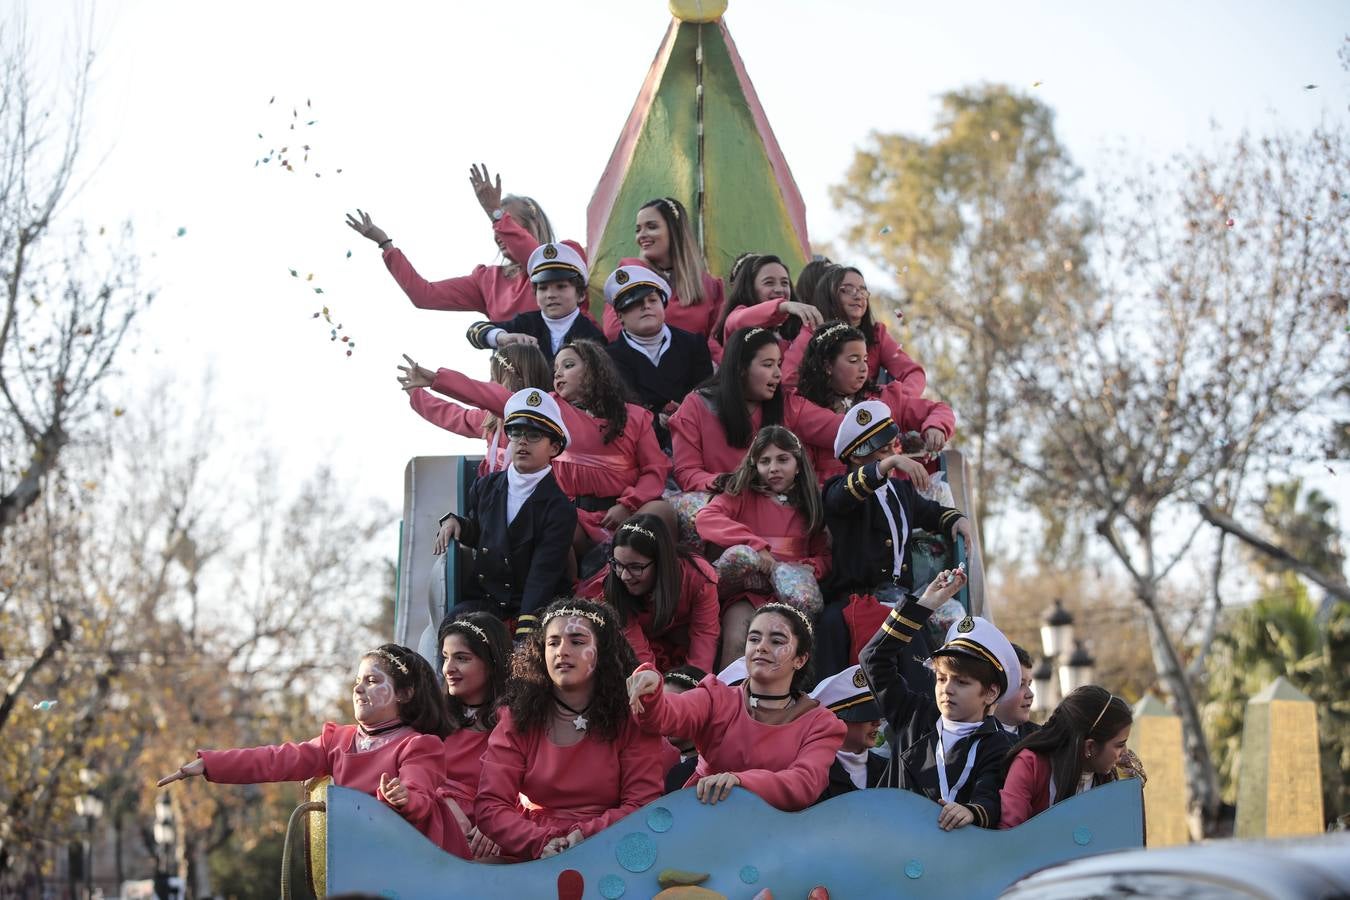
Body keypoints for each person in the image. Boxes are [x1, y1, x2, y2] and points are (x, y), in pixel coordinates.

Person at [156, 644, 469, 858]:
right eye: (357, 681)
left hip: (415, 865)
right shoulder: (337, 741)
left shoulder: (418, 745)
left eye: (372, 681)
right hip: (360, 864)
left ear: (404, 692)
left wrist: (405, 797)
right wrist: (209, 764)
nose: (359, 688)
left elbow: (419, 796)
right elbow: (275, 760)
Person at [400, 340, 673, 564]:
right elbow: (485, 397)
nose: (557, 373)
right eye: (555, 368)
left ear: (595, 370)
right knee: (556, 525)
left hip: (625, 511)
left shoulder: (635, 417)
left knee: (661, 511)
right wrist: (434, 381)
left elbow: (655, 470)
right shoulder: (547, 408)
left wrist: (628, 504)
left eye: (568, 365)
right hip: (573, 515)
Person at [474, 599, 664, 860]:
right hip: (530, 852)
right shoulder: (516, 718)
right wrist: (541, 842)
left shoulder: (632, 716)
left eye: (577, 641)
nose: (562, 651)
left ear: (603, 651)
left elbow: (642, 804)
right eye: (553, 643)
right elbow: (490, 805)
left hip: (611, 848)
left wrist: (584, 835)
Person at [626, 602, 846, 812]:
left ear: (800, 659)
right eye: (754, 639)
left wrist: (740, 781)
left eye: (777, 641)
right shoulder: (716, 697)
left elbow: (803, 784)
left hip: (777, 838)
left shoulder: (822, 723)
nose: (761, 647)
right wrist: (651, 689)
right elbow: (666, 715)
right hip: (705, 822)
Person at [814, 400, 973, 676]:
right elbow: (844, 495)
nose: (893, 455)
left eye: (892, 448)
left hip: (901, 602)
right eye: (883, 451)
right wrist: (894, 462)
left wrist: (957, 520)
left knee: (922, 676)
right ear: (856, 456)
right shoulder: (838, 490)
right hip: (855, 601)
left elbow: (932, 513)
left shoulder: (900, 491)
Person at [405, 386, 576, 639]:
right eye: (515, 433)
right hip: (487, 600)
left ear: (554, 447)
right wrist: (458, 524)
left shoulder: (560, 508)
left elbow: (543, 576)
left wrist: (524, 630)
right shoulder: (486, 485)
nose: (522, 442)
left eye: (534, 435)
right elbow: (485, 535)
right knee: (451, 631)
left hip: (535, 608)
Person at [859, 570, 1020, 830]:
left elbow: (990, 798)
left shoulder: (1001, 745)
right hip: (893, 850)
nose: (947, 689)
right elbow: (873, 658)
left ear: (991, 692)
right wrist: (924, 606)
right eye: (942, 678)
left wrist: (972, 812)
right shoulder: (915, 715)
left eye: (962, 682)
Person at [346, 164, 586, 321]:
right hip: (513, 387)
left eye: (508, 222)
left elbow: (540, 260)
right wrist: (386, 245)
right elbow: (424, 295)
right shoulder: (488, 280)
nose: (499, 231)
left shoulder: (568, 255)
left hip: (564, 381)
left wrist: (495, 212)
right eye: (495, 224)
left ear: (533, 225)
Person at [666, 327, 841, 541]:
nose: (778, 373)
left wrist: (881, 419)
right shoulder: (697, 405)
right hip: (725, 506)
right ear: (741, 368)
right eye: (768, 365)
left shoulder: (786, 404)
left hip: (777, 506)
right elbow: (687, 472)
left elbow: (841, 430)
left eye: (779, 364)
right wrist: (727, 481)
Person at [695, 425, 829, 667]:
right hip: (747, 593)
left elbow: (825, 555)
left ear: (798, 464)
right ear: (755, 466)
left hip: (789, 596)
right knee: (738, 637)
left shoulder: (811, 504)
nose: (774, 468)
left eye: (783, 459)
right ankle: (730, 698)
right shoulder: (742, 495)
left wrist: (808, 568)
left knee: (787, 643)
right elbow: (706, 518)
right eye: (765, 461)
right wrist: (755, 544)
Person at [794, 322, 955, 483]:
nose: (864, 368)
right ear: (827, 365)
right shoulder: (807, 407)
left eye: (865, 359)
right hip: (833, 501)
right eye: (853, 360)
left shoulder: (885, 397)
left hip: (888, 497)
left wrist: (936, 426)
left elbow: (938, 409)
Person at [576, 515, 720, 672]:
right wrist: (657, 689)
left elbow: (705, 636)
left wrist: (692, 687)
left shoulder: (699, 577)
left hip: (675, 635)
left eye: (636, 567)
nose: (624, 576)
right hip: (630, 644)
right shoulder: (611, 589)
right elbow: (641, 659)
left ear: (661, 563)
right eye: (617, 564)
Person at [999, 686, 1145, 829]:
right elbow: (1010, 833)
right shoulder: (1031, 765)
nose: (1125, 752)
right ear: (1090, 747)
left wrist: (1129, 793)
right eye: (1120, 745)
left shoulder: (1112, 778)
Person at [602, 265, 713, 449]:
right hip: (639, 447)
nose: (646, 306)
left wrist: (683, 414)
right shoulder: (609, 358)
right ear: (619, 316)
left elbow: (707, 395)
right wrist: (655, 421)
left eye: (652, 300)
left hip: (693, 440)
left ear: (663, 305)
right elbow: (619, 411)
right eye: (635, 303)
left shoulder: (693, 345)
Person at [602, 197, 725, 361]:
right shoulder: (630, 274)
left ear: (675, 231)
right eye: (638, 230)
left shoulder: (707, 285)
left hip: (696, 375)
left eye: (651, 227)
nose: (642, 236)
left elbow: (715, 338)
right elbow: (613, 331)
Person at [406, 344, 552, 477]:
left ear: (512, 377)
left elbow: (480, 392)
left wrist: (436, 379)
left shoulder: (539, 411)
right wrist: (416, 394)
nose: (490, 383)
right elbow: (453, 416)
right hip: (495, 500)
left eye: (495, 378)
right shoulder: (492, 420)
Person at [437, 613, 512, 859]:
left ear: (491, 664)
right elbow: (411, 773)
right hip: (434, 831)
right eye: (446, 658)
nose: (449, 668)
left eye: (462, 658)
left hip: (491, 843)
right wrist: (445, 802)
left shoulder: (515, 719)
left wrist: (499, 824)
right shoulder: (432, 717)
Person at [782, 265, 926, 394]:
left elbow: (913, 373)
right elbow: (788, 382)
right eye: (848, 290)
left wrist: (896, 401)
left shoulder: (877, 333)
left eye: (863, 291)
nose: (858, 296)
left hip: (869, 416)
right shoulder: (812, 332)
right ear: (829, 296)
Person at [465, 242, 606, 367]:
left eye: (561, 286)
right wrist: (502, 338)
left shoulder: (594, 336)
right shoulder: (525, 323)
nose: (550, 294)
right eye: (543, 288)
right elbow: (475, 331)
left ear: (581, 294)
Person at [810, 665, 888, 800]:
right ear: (835, 721)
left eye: (877, 714)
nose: (877, 723)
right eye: (866, 715)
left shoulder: (888, 769)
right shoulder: (813, 774)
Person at [716, 253, 824, 345]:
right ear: (750, 288)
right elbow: (738, 320)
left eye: (785, 283)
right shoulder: (735, 318)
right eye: (769, 282)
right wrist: (784, 305)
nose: (779, 289)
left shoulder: (796, 328)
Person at [659, 665, 708, 793]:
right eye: (661, 704)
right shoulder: (638, 751)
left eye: (676, 707)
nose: (665, 714)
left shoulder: (710, 767)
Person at [997, 643, 1038, 741]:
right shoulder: (975, 739)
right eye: (1020, 685)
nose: (1030, 694)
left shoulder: (1040, 738)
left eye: (1029, 684)